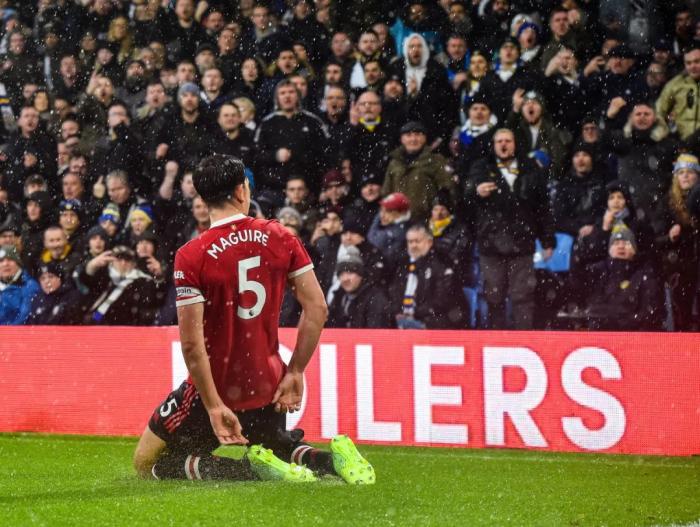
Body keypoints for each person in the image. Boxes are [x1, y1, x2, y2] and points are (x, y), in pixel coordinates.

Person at [132, 154, 374, 484]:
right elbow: (317, 308)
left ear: (202, 198)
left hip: (217, 384)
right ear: (241, 191)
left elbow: (191, 345)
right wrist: (296, 370)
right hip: (267, 381)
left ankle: (248, 471)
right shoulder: (281, 236)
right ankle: (332, 461)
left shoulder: (192, 255)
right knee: (277, 448)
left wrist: (214, 406)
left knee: (147, 463)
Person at [326, 249, 390, 328]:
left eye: (349, 273)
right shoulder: (339, 296)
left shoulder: (375, 298)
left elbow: (377, 332)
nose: (345, 279)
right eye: (341, 274)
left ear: (360, 274)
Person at [0, 244, 40, 325]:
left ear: (18, 263)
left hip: (16, 332)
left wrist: (5, 331)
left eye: (10, 259)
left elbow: (24, 317)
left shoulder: (30, 286)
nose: (5, 264)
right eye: (1, 261)